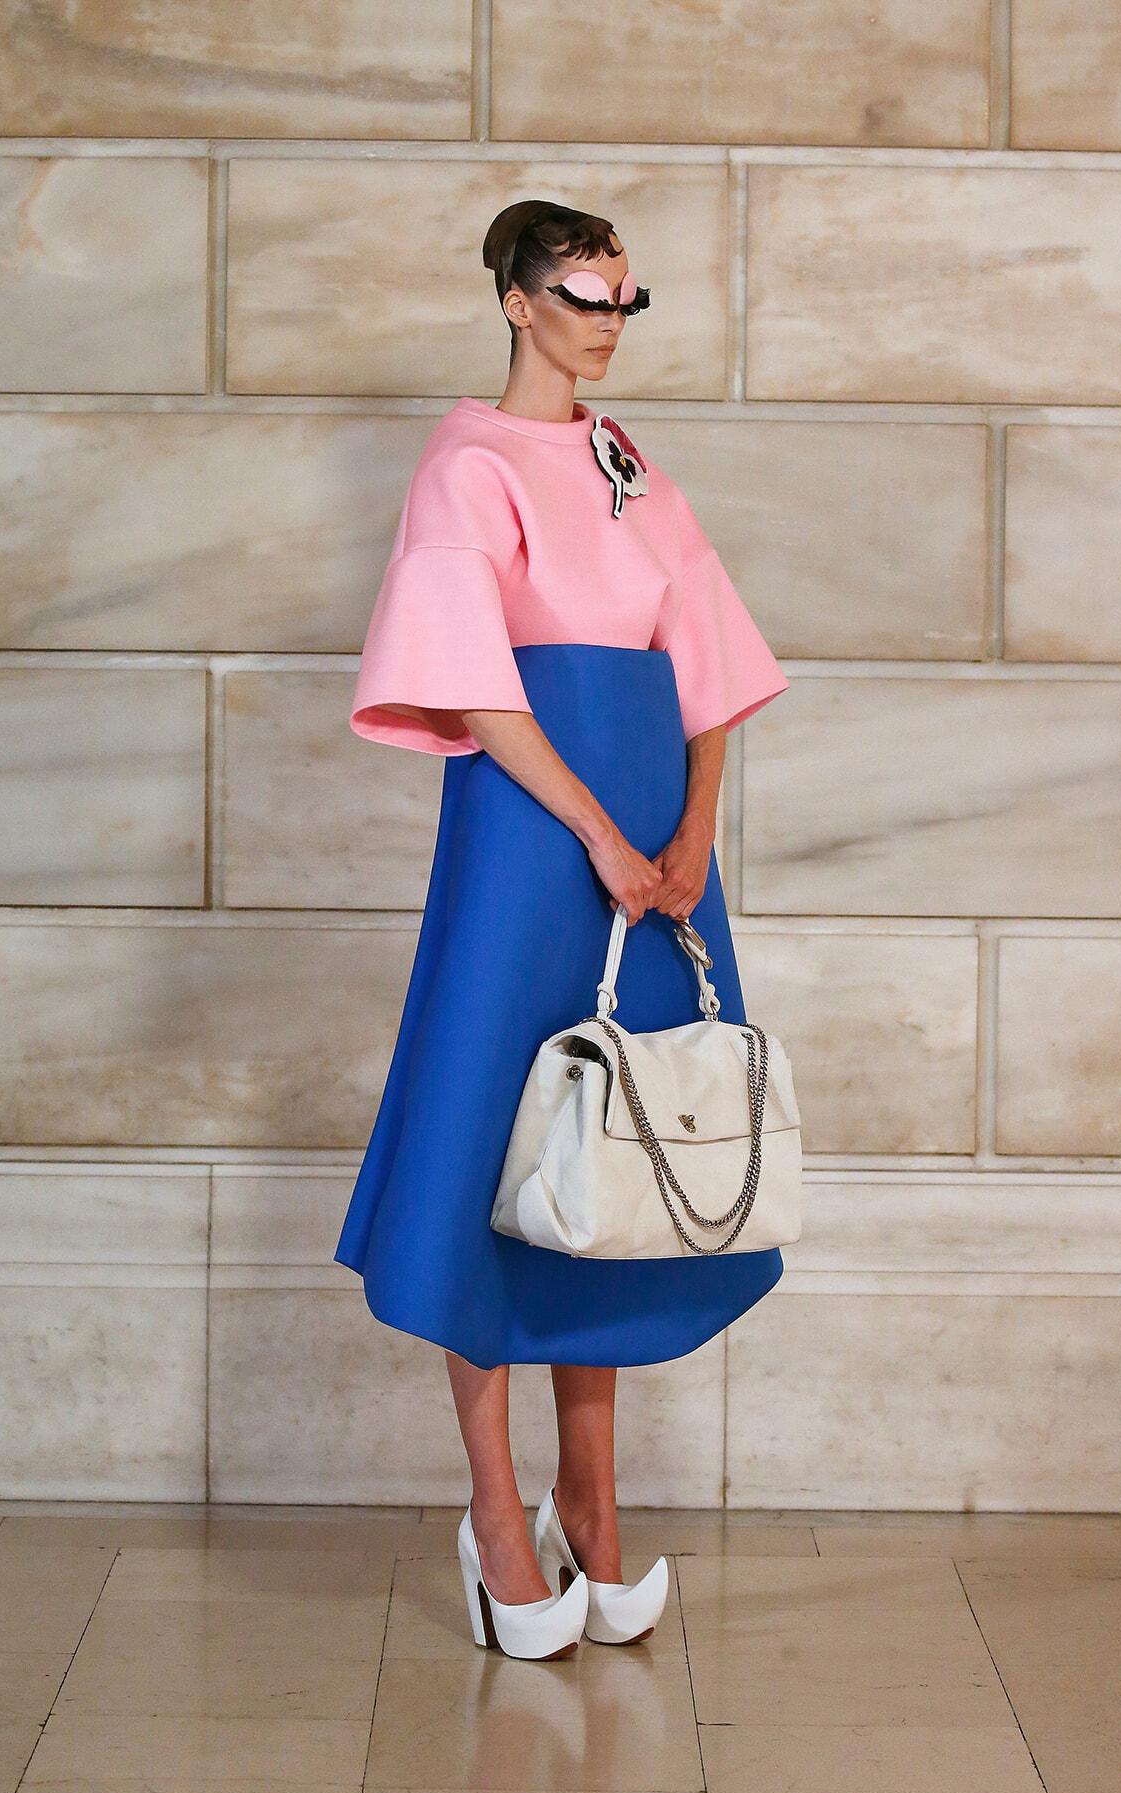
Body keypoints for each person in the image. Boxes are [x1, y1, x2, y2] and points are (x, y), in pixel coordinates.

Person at [335, 199, 788, 1659]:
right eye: (587, 296)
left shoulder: (624, 460)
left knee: (619, 1143)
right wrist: (599, 834)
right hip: (534, 837)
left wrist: (693, 829)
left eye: (625, 300)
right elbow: (475, 686)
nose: (609, 323)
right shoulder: (466, 463)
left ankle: (593, 1502)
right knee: (492, 1138)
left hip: (657, 843)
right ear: (519, 302)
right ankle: (497, 1520)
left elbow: (706, 655)